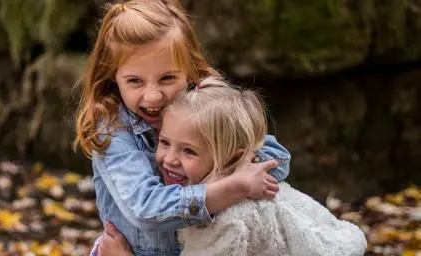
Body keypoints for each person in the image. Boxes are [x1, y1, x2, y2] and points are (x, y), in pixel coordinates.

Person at [73, 0, 291, 255]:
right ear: (112, 76)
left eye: (167, 78)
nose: (153, 96)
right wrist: (233, 187)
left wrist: (226, 173)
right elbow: (146, 208)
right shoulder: (113, 127)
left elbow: (276, 159)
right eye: (135, 81)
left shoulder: (203, 109)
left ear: (188, 69)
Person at [98, 76, 368, 256]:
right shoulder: (235, 183)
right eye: (164, 142)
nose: (169, 159)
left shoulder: (230, 219)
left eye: (189, 151)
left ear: (230, 157)